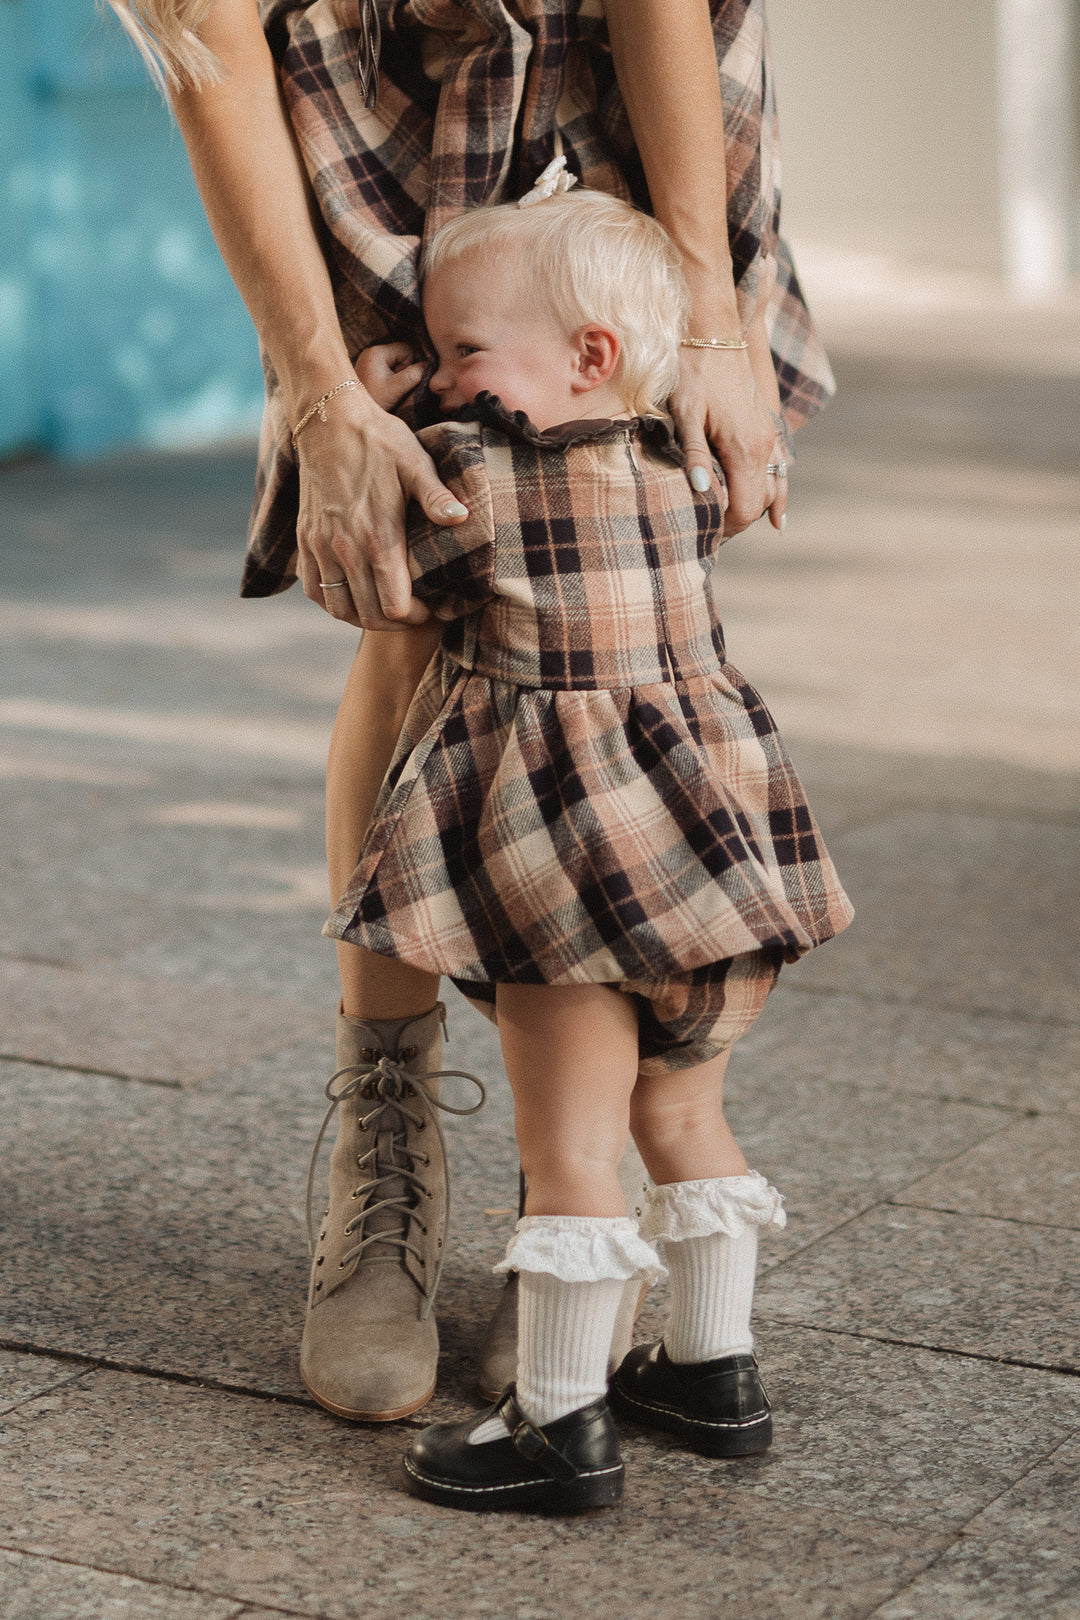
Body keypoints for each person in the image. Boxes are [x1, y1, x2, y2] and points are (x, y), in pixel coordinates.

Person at [107, 0, 835, 1424]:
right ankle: (403, 1127)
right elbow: (207, 33)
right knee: (417, 579)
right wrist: (328, 398)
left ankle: (565, 1288)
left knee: (626, 502)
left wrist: (708, 312)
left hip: (620, 45)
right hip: (358, 74)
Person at [323, 181, 852, 1511]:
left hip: (562, 877)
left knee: (572, 1150)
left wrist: (388, 414)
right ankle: (713, 1375)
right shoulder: (682, 469)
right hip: (710, 860)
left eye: (463, 353)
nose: (446, 376)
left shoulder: (466, 476)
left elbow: (380, 571)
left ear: (589, 358)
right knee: (682, 1110)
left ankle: (558, 1424)